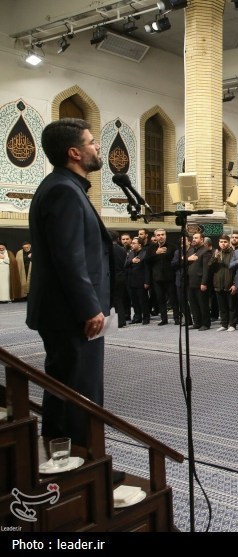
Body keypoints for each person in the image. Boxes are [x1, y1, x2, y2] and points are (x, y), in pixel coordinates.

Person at [26, 118, 113, 447]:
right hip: (73, 315)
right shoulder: (63, 190)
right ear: (74, 153)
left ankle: (65, 454)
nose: (97, 147)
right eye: (91, 142)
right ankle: (78, 461)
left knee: (70, 388)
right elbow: (69, 258)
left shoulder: (66, 187)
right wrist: (89, 308)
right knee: (78, 391)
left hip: (70, 311)